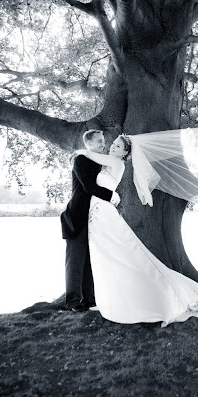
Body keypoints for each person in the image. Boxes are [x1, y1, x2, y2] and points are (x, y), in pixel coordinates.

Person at [74, 134, 198, 326]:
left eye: (117, 147)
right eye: (113, 145)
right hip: (98, 212)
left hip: (103, 213)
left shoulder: (116, 163)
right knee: (105, 256)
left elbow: (90, 155)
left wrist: (80, 152)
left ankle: (150, 301)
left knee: (116, 254)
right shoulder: (110, 162)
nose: (112, 148)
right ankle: (110, 301)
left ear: (125, 153)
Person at [60, 129, 119, 312]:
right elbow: (88, 186)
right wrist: (111, 196)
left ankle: (89, 299)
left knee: (89, 260)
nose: (103, 144)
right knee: (75, 261)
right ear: (89, 143)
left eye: (103, 141)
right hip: (76, 217)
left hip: (93, 218)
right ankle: (73, 301)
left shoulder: (98, 161)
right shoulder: (80, 160)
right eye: (99, 141)